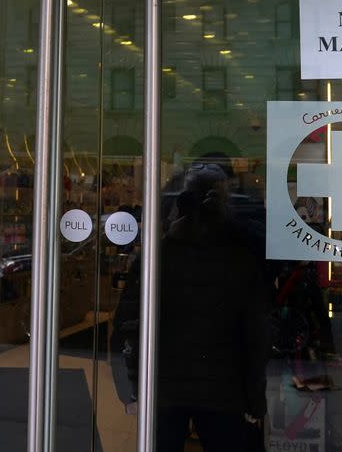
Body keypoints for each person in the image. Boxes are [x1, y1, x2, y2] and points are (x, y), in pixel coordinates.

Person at [113, 162, 268, 451]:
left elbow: (128, 322)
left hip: (165, 388)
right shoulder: (240, 256)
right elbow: (256, 334)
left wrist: (130, 387)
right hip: (224, 390)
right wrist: (255, 399)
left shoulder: (158, 256)